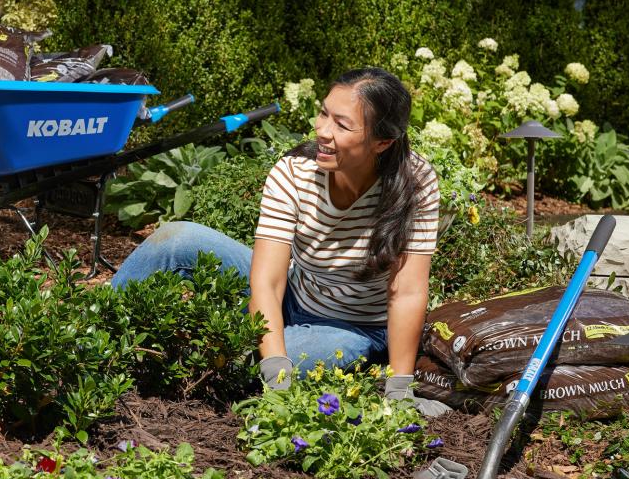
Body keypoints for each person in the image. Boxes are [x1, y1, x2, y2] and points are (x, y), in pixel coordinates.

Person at [111, 67, 449, 416]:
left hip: (353, 328)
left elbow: (406, 292)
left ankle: (241, 353)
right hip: (292, 293)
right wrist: (276, 368)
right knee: (175, 237)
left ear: (382, 142)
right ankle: (91, 336)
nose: (323, 131)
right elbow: (268, 280)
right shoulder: (294, 171)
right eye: (323, 114)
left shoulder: (414, 182)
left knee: (243, 364)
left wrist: (399, 390)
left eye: (342, 125)